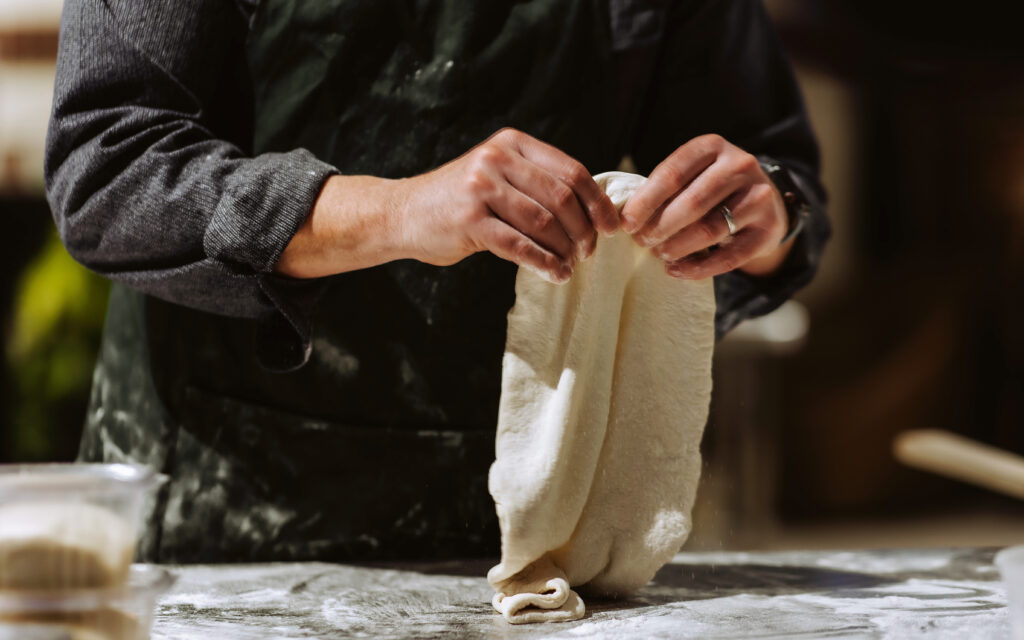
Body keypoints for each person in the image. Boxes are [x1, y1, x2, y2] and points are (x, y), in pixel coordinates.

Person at [45, 0, 829, 563]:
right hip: (222, 511)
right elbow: (107, 166)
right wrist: (399, 210)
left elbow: (782, 182)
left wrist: (761, 213)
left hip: (533, 518)